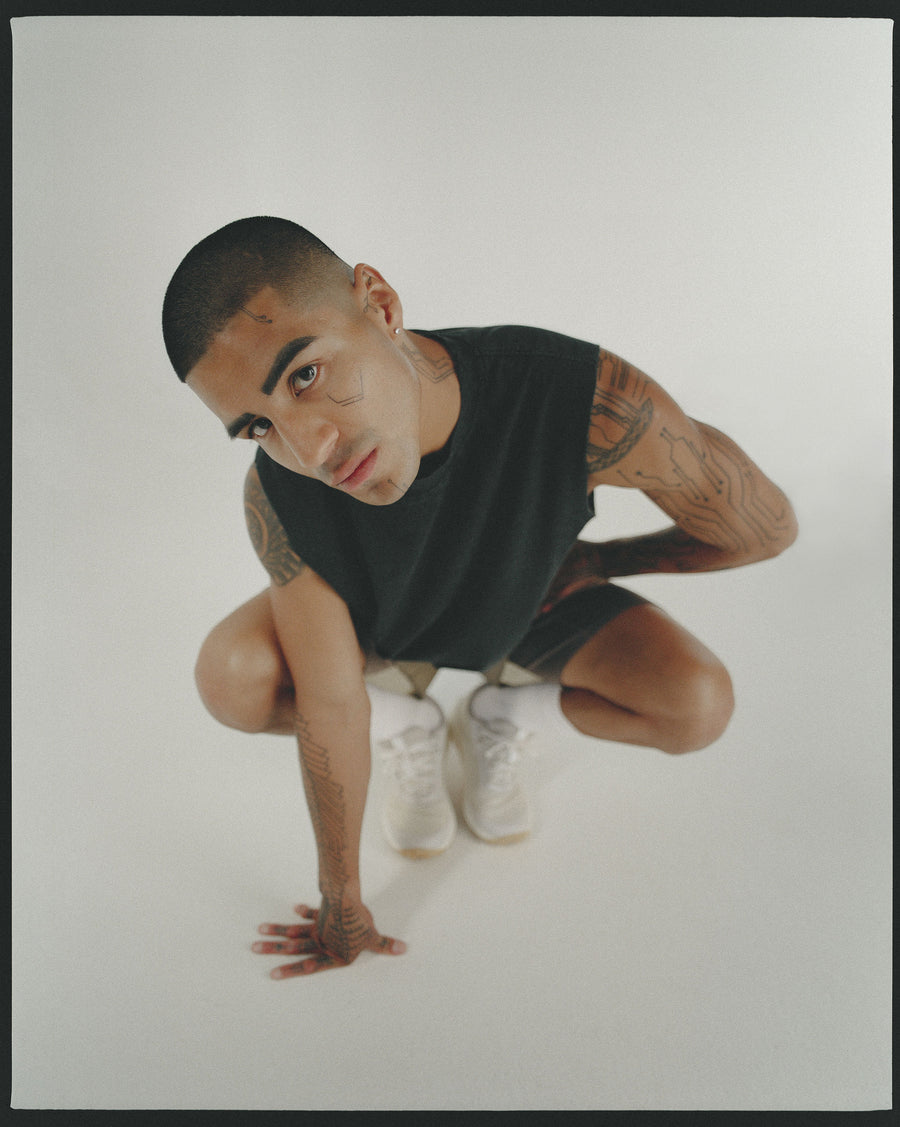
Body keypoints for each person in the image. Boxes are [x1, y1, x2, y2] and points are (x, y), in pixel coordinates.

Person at [162, 216, 798, 979]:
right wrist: (344, 900)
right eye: (260, 425)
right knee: (228, 677)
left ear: (380, 302)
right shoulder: (281, 491)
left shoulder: (587, 400)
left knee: (699, 703)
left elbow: (762, 529)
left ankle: (505, 714)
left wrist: (601, 560)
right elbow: (328, 703)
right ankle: (404, 722)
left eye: (304, 374)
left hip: (524, 607)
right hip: (383, 629)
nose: (310, 449)